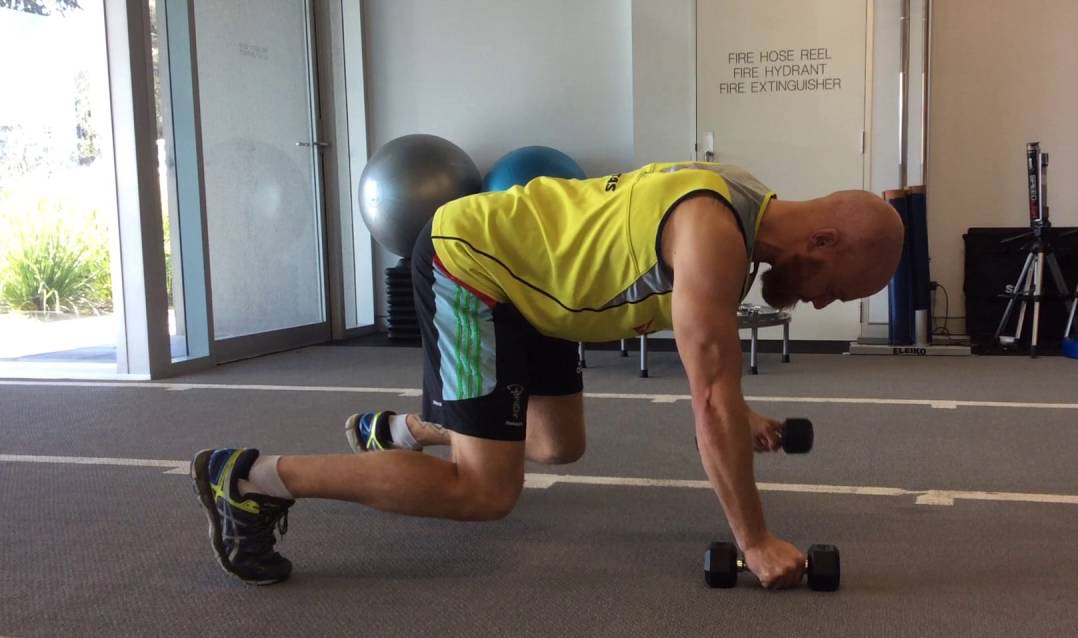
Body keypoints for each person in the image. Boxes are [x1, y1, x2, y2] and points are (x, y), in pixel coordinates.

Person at [191, 162, 904, 588]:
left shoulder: (744, 200)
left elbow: (716, 380)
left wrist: (736, 412)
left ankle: (405, 432)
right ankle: (250, 480)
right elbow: (710, 399)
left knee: (558, 445)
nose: (821, 303)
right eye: (836, 289)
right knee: (485, 491)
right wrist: (754, 542)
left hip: (540, 291)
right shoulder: (715, 236)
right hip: (475, 266)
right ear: (823, 240)